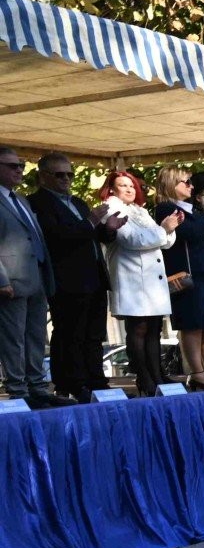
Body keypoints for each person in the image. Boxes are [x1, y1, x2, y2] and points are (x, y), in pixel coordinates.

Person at [25, 151, 110, 403]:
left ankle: (97, 380)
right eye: (59, 174)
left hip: (94, 276)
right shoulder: (38, 203)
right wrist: (91, 222)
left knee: (94, 334)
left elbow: (94, 235)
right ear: (43, 177)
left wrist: (109, 229)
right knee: (71, 333)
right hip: (68, 279)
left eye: (70, 174)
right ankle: (73, 382)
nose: (66, 179)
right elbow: (57, 236)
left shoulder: (78, 203)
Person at [98, 170, 178, 397]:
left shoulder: (139, 210)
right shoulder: (111, 207)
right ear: (112, 189)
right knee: (139, 328)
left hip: (151, 279)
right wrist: (164, 230)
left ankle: (157, 375)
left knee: (153, 329)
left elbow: (164, 241)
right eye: (123, 185)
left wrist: (168, 229)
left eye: (132, 185)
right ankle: (144, 377)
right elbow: (132, 239)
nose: (129, 189)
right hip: (131, 277)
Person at [0, 146, 66, 406]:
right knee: (13, 338)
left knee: (36, 335)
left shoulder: (21, 200)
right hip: (12, 279)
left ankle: (38, 388)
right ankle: (19, 390)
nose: (19, 170)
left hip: (36, 276)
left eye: (21, 166)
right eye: (12, 166)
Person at [155, 167, 204, 389]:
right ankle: (197, 371)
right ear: (171, 184)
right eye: (185, 182)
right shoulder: (167, 208)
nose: (191, 185)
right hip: (187, 276)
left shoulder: (192, 210)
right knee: (193, 326)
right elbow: (193, 233)